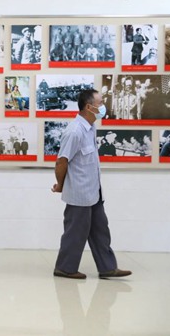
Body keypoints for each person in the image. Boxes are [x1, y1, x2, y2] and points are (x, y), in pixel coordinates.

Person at [51, 89, 131, 280]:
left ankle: (107, 268)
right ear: (89, 107)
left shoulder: (90, 127)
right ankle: (65, 268)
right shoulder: (75, 131)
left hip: (94, 192)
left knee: (100, 230)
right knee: (75, 233)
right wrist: (60, 185)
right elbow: (61, 161)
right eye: (100, 103)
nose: (103, 106)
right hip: (79, 194)